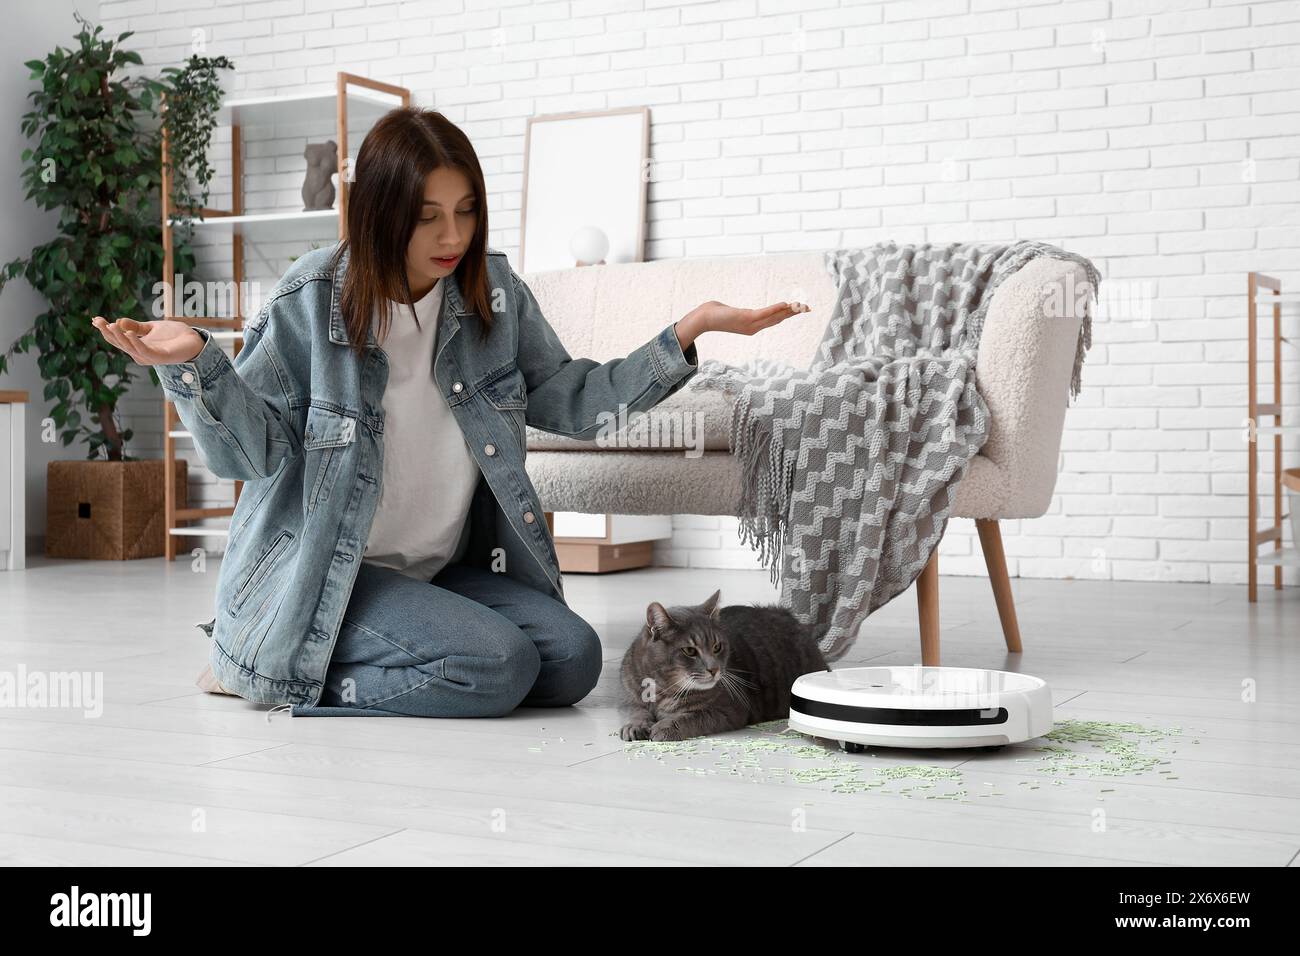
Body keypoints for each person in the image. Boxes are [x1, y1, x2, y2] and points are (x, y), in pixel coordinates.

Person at [92, 106, 809, 718]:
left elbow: (573, 399)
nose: (452, 237)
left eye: (466, 212)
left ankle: (336, 651)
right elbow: (251, 456)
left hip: (439, 570)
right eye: (427, 216)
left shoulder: (490, 290)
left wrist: (685, 333)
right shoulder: (310, 298)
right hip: (334, 573)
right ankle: (268, 668)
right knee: (499, 666)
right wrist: (196, 365)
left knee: (572, 660)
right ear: (380, 214)